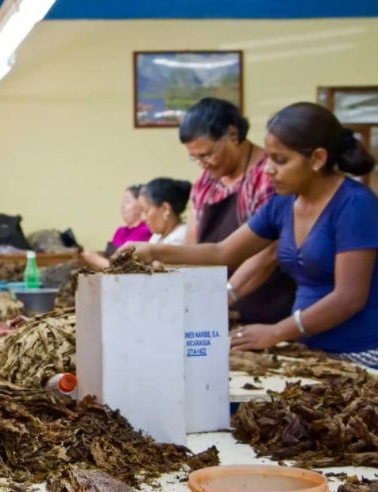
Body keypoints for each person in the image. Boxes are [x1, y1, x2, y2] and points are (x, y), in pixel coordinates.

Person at [126, 102, 378, 368]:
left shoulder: (355, 204)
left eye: (280, 160)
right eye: (269, 157)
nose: (269, 169)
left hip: (359, 353)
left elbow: (349, 297)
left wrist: (278, 331)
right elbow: (221, 251)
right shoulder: (283, 204)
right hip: (311, 349)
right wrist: (152, 250)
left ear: (317, 159)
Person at [180, 97, 296, 323]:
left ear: (232, 135)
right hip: (217, 305)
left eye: (206, 154)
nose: (203, 164)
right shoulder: (205, 183)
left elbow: (270, 251)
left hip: (268, 305)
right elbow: (192, 244)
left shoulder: (269, 176)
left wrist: (227, 295)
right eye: (195, 158)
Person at [81, 184, 151, 269]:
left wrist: (96, 260)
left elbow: (129, 270)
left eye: (127, 201)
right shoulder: (120, 231)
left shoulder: (146, 230)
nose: (122, 206)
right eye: (123, 202)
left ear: (141, 204)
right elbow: (111, 260)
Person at [138, 177, 191, 245]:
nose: (143, 218)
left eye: (146, 211)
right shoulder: (156, 237)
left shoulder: (182, 238)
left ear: (165, 209)